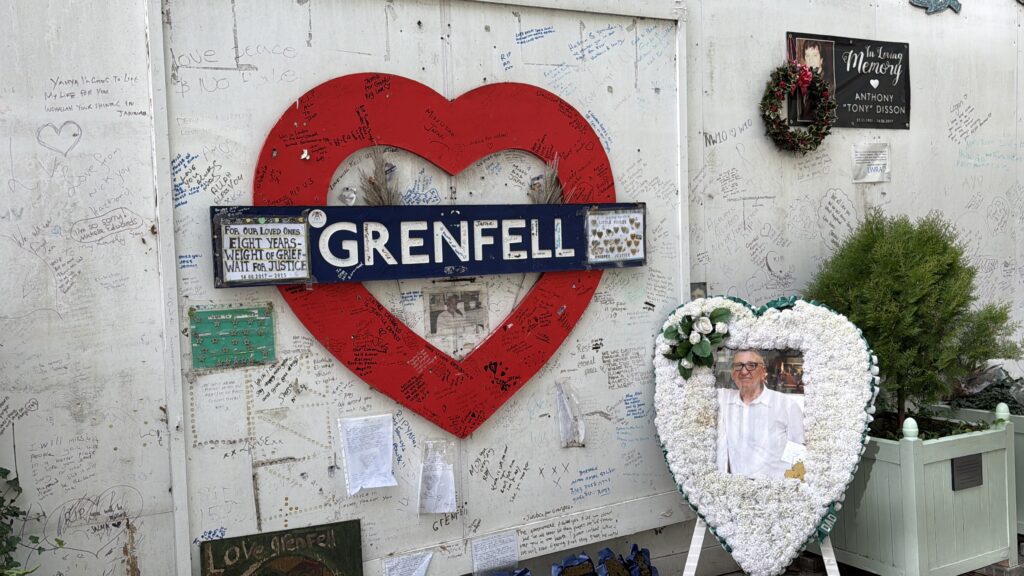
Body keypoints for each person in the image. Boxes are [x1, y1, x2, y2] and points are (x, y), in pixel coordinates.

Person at [717, 350, 805, 479]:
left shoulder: (786, 405)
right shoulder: (723, 399)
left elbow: (799, 451)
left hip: (774, 488)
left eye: (751, 365)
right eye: (738, 365)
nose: (744, 371)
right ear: (732, 373)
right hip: (737, 488)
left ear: (763, 371)